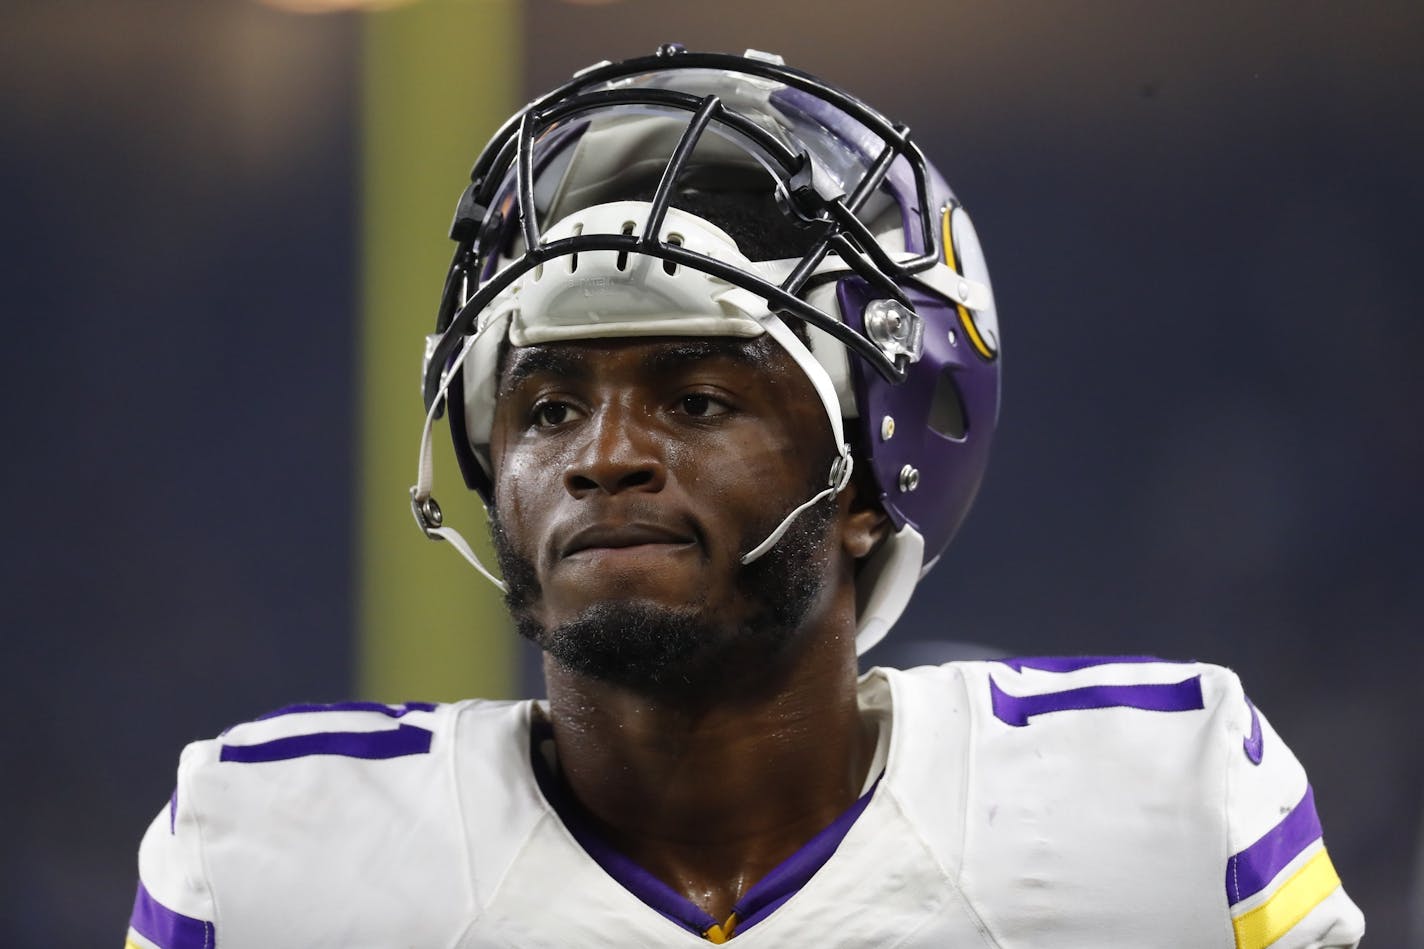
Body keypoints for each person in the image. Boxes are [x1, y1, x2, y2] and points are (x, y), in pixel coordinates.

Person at [125, 46, 1364, 948]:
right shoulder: (270, 854)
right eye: (547, 406)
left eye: (695, 398)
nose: (601, 454)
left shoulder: (1155, 809)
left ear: (873, 481)